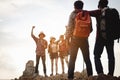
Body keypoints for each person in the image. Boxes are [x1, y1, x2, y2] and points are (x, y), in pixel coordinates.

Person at [65, 1, 93, 79]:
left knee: (72, 59)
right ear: (82, 6)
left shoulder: (72, 14)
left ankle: (70, 77)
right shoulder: (87, 14)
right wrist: (84, 34)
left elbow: (69, 27)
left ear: (74, 6)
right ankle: (90, 76)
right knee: (87, 59)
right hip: (84, 39)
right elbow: (91, 29)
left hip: (74, 40)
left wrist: (67, 38)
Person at [89, 0, 116, 76]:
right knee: (111, 56)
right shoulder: (112, 12)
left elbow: (87, 13)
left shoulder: (98, 12)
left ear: (99, 5)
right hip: (110, 37)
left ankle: (100, 73)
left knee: (96, 55)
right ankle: (111, 74)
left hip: (100, 38)